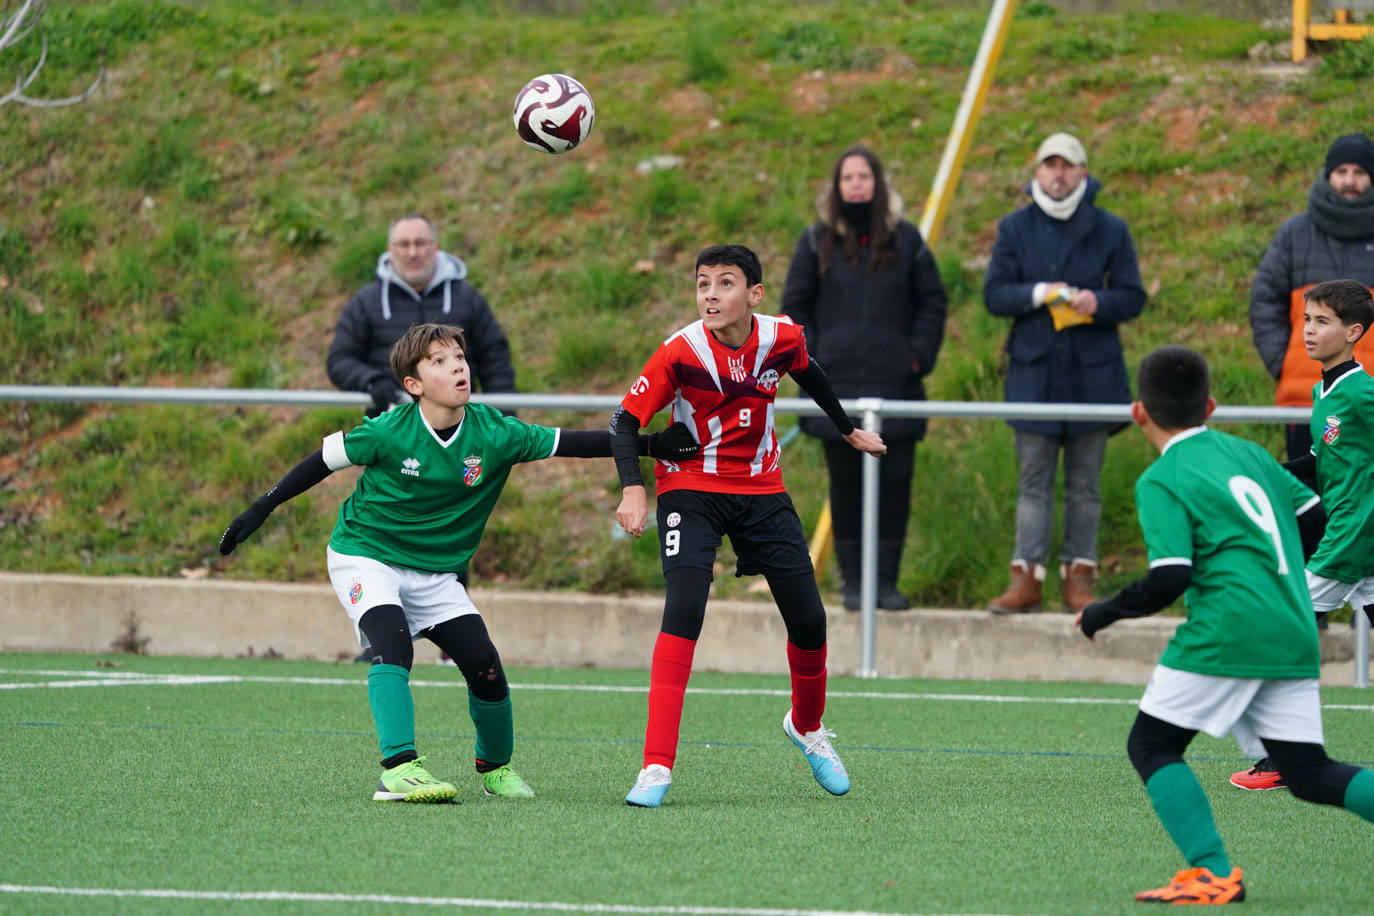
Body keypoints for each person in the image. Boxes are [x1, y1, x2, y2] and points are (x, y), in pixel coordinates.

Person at [219, 322, 696, 803]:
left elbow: (571, 442)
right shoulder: (389, 430)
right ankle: (399, 769)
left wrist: (652, 444)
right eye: (440, 361)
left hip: (433, 573)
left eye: (460, 358)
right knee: (391, 643)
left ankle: (495, 769)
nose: (458, 367)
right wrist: (261, 507)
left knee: (483, 664)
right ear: (414, 384)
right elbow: (322, 460)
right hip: (365, 555)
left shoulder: (496, 432)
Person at [1076, 344, 1374, 905]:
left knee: (1153, 744)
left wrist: (1102, 612)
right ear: (1210, 405)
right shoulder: (1251, 455)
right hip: (1291, 624)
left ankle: (1211, 870)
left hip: (1230, 629)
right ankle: (1212, 871)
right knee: (1308, 773)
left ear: (1139, 412)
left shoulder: (1162, 478)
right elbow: (1314, 516)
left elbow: (1170, 576)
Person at [610, 244, 887, 808]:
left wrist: (848, 429)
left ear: (754, 294)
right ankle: (656, 767)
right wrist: (633, 488)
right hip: (691, 487)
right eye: (702, 284)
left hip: (761, 489)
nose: (710, 294)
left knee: (810, 621)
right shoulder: (679, 352)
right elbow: (624, 421)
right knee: (684, 610)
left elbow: (810, 374)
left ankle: (807, 728)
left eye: (725, 283)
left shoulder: (781, 338)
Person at [983, 132, 1146, 614]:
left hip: (1094, 377)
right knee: (1033, 483)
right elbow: (995, 295)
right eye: (1049, 165)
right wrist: (1038, 293)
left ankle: (1081, 578)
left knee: (1085, 486)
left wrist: (1099, 303)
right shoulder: (1014, 228)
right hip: (1033, 376)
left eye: (1067, 165)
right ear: (1036, 174)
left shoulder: (1111, 229)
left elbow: (1133, 297)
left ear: (1083, 173)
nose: (1058, 174)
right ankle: (1025, 579)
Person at [781, 145, 948, 611]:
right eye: (847, 177)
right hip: (836, 396)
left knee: (894, 490)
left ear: (878, 184)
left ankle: (886, 584)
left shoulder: (907, 241)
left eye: (864, 176)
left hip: (896, 392)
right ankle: (854, 584)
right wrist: (813, 365)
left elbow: (933, 303)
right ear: (836, 187)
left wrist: (916, 359)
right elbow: (794, 309)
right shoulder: (816, 242)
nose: (856, 184)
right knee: (847, 491)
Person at [1230, 279, 1374, 792]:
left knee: (1275, 629)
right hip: (1355, 543)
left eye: (1323, 322)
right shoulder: (1324, 390)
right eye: (1306, 320)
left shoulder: (1361, 391)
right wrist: (1264, 477)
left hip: (1349, 542)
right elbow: (1320, 462)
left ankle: (1277, 758)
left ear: (1353, 332)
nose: (1309, 331)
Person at [1248, 134, 1374, 472]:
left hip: (1368, 404)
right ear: (1328, 175)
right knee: (1310, 504)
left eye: (1360, 172)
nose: (1350, 180)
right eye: (1342, 170)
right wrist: (1286, 364)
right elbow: (1264, 303)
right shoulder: (1295, 234)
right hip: (1305, 401)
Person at [327, 215, 517, 418]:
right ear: (390, 250)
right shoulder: (366, 302)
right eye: (403, 244)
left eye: (420, 243)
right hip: (391, 426)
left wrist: (503, 425)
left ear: (435, 247)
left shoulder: (467, 298)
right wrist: (372, 381)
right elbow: (340, 359)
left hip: (459, 428)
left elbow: (496, 362)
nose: (413, 252)